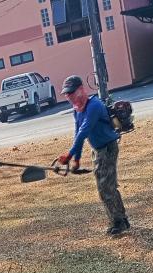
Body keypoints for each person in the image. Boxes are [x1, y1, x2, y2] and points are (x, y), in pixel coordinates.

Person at [56, 75, 129, 236]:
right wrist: (76, 159)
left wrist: (69, 155)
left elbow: (84, 131)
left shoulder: (94, 106)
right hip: (97, 150)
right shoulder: (77, 110)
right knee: (105, 186)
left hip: (108, 148)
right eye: (67, 94)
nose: (69, 96)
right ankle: (120, 220)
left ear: (81, 89)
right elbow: (78, 134)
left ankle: (119, 221)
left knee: (106, 187)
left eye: (72, 92)